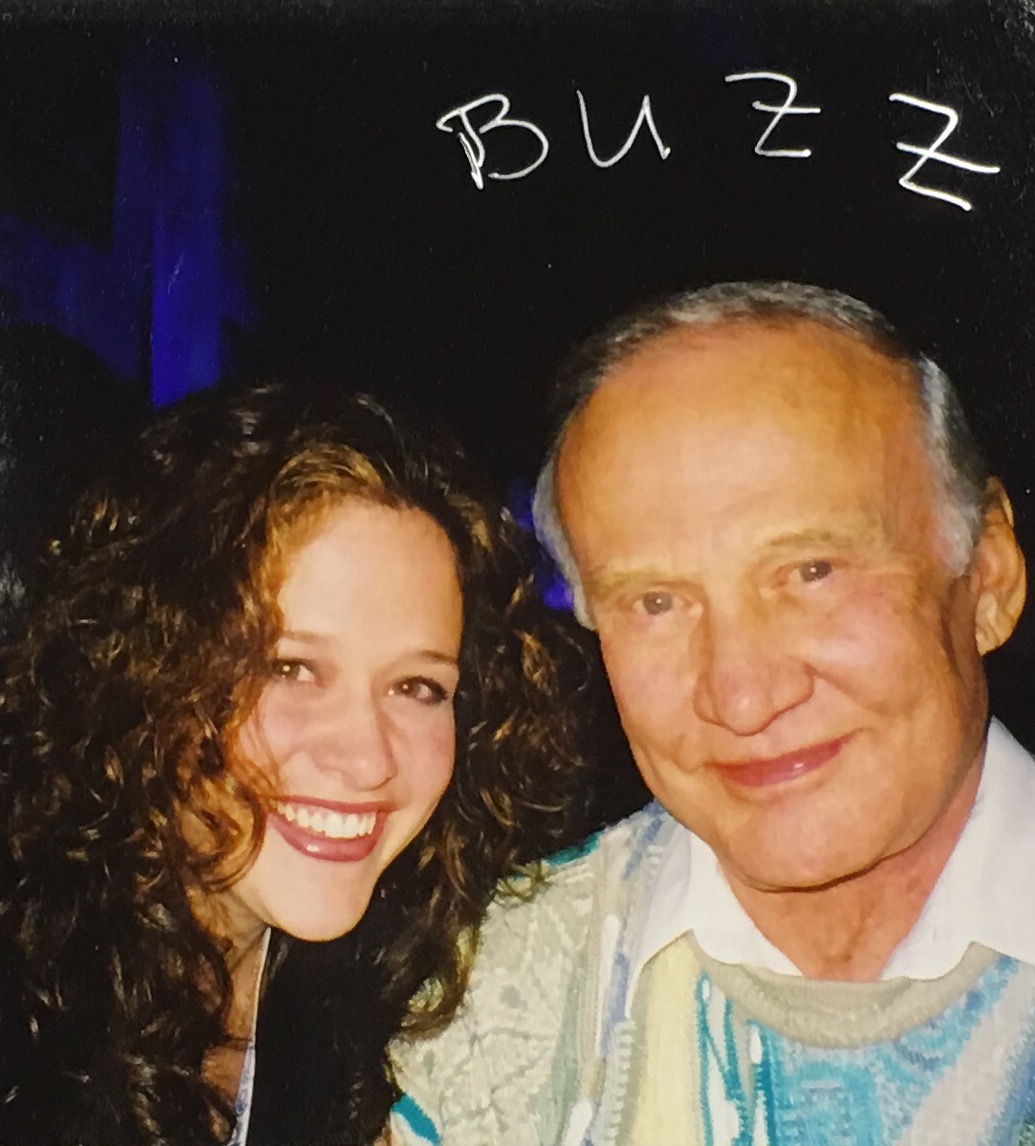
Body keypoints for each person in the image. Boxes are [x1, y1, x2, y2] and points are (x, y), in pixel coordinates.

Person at [390, 281, 1035, 1145]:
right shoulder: (484, 1003)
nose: (740, 695)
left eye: (811, 572)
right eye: (655, 602)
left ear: (986, 579)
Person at [0, 380, 589, 1146]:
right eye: (289, 668)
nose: (367, 757)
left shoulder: (386, 994)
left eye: (416, 686)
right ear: (146, 666)